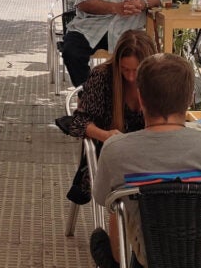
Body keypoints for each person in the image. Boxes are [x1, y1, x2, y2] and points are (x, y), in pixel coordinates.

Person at [91, 54, 201, 268]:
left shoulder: (115, 151)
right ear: (190, 98)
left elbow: (106, 201)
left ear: (141, 98)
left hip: (155, 260)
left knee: (102, 238)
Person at [64, 30, 158, 205]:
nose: (131, 77)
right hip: (112, 156)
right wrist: (105, 135)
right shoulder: (103, 77)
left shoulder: (158, 78)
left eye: (136, 70)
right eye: (125, 69)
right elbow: (78, 122)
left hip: (148, 153)